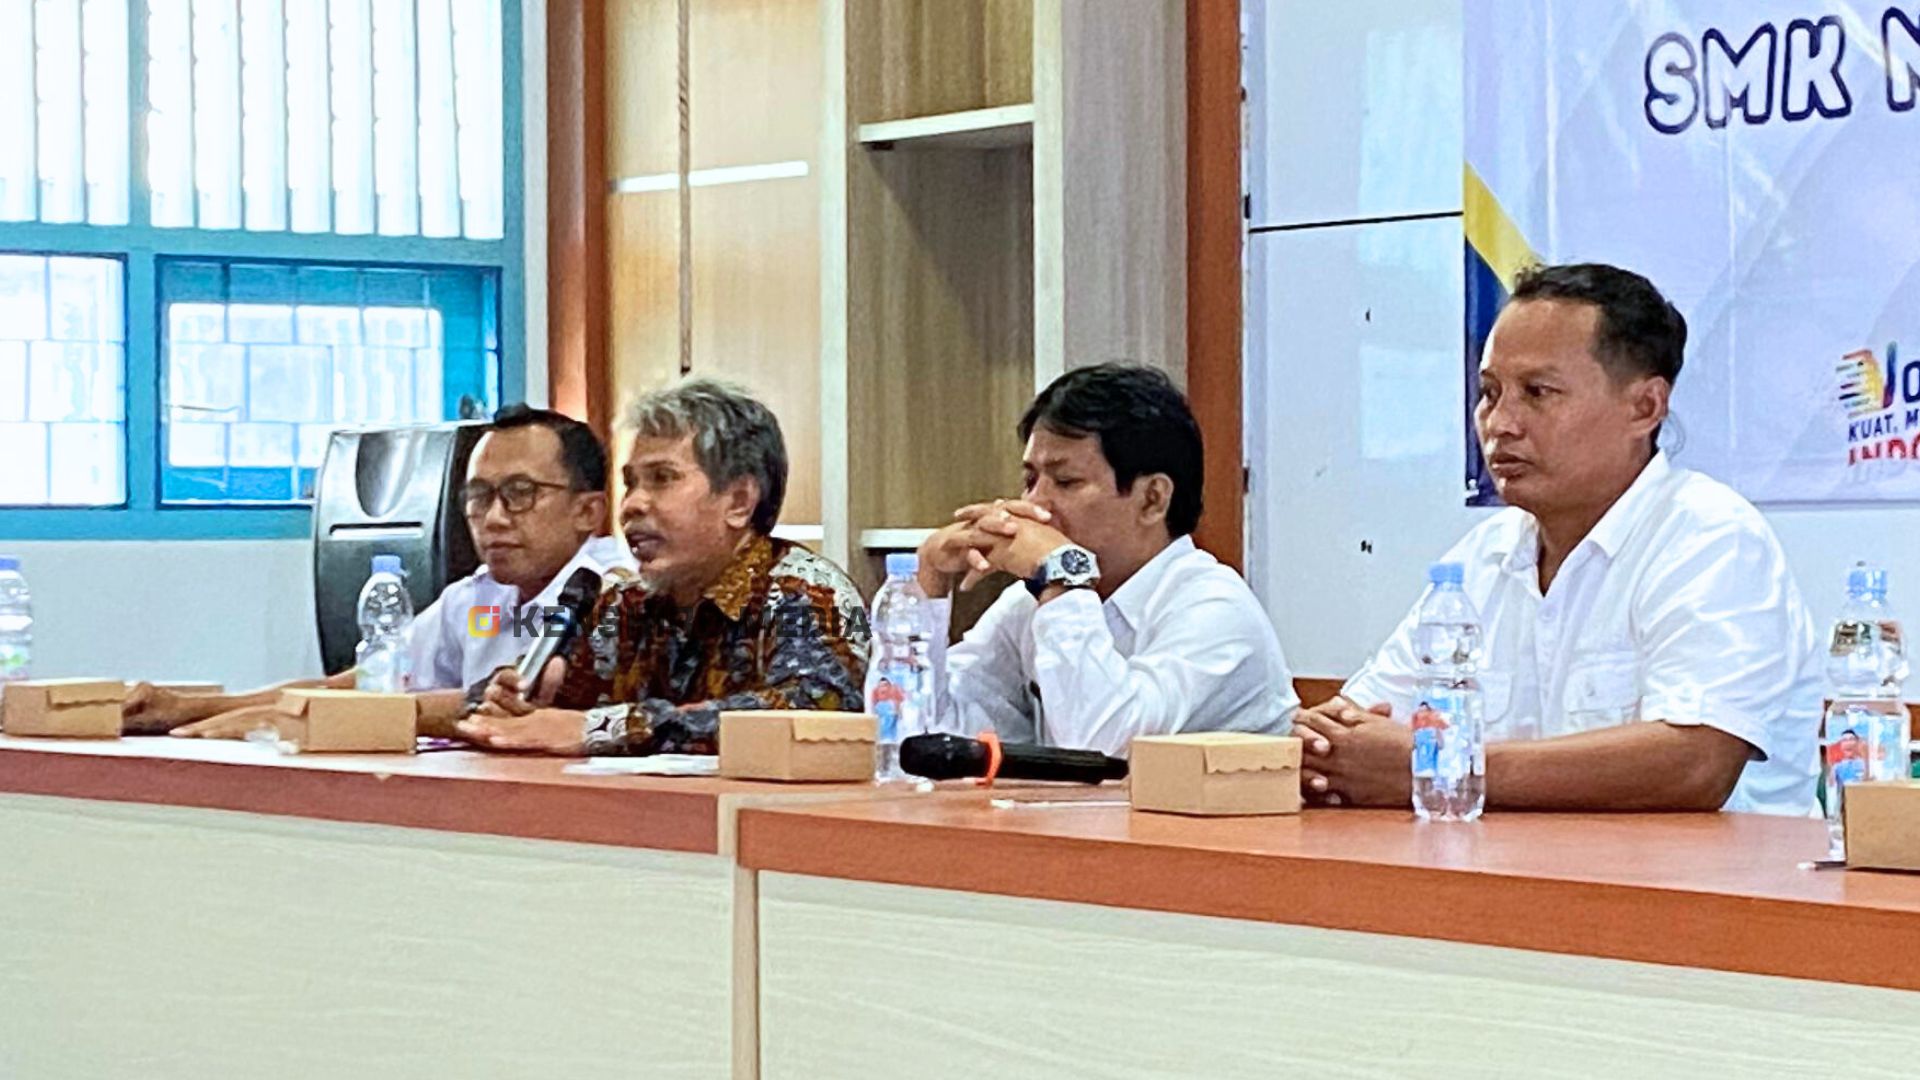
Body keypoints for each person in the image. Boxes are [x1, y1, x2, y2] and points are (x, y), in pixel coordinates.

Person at [1297, 262, 1821, 815]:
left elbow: (1695, 764)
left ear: (1645, 407)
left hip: (1710, 872)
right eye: (1490, 392)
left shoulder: (1711, 539)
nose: (1501, 423)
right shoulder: (1480, 559)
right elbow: (1354, 731)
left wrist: (1448, 764)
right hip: (1516, 867)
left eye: (1538, 392)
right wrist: (1324, 749)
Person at [121, 405, 635, 738]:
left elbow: (496, 700)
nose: (494, 518)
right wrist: (189, 708)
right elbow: (370, 682)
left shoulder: (613, 592)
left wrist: (307, 719)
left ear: (587, 511)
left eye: (521, 494)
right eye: (479, 497)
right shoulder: (477, 597)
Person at [459, 379, 869, 755]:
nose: (631, 505)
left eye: (661, 478)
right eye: (631, 483)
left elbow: (813, 713)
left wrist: (601, 728)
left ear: (739, 501)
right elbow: (529, 700)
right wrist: (510, 701)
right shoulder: (626, 605)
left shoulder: (805, 594)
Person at [914, 363, 1296, 757]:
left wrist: (1063, 571)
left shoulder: (1215, 606)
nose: (1034, 503)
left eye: (1065, 482)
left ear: (1153, 499)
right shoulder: (1031, 604)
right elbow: (924, 735)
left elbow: (1103, 751)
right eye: (1030, 480)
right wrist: (926, 585)